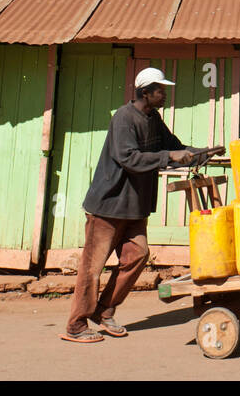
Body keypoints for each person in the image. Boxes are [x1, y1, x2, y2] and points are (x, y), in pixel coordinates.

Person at [61, 67, 223, 343]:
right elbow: (130, 159)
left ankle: (104, 310)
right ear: (145, 92)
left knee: (137, 256)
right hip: (109, 206)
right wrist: (169, 155)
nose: (165, 94)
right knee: (92, 267)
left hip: (135, 206)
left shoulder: (153, 119)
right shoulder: (123, 119)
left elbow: (174, 147)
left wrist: (204, 152)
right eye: (160, 90)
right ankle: (76, 325)